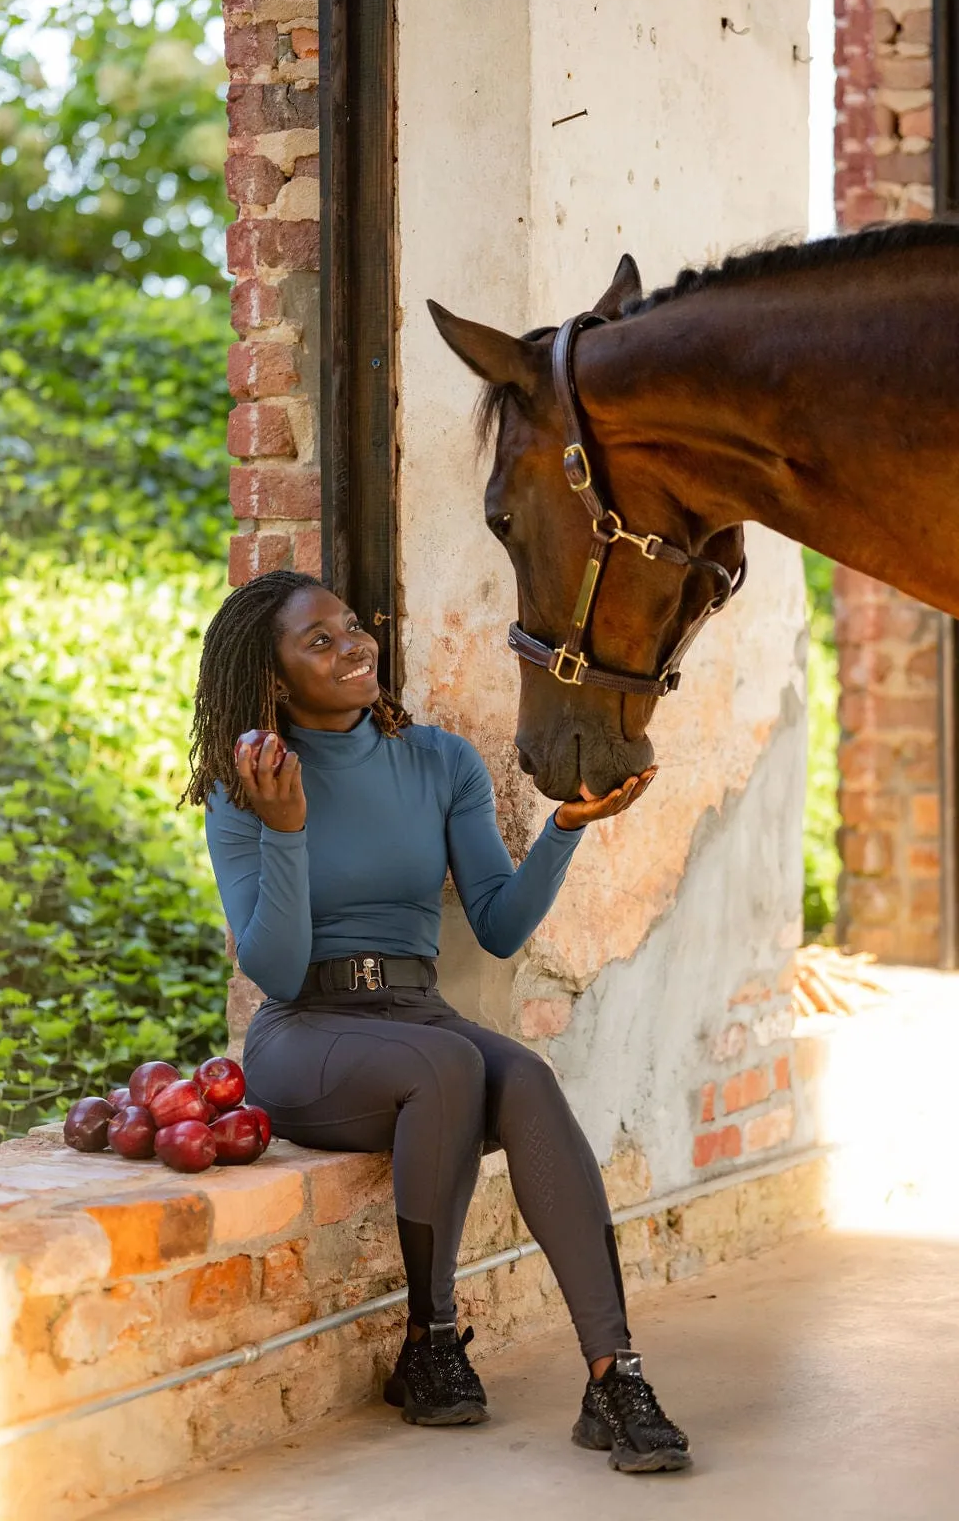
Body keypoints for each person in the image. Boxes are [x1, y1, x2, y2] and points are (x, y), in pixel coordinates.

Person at [182, 568, 690, 1474]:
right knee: (449, 1068)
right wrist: (287, 827)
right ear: (273, 678)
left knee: (524, 1075)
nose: (353, 647)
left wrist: (566, 828)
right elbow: (275, 969)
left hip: (415, 1012)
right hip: (307, 1035)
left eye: (352, 628)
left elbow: (495, 925)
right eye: (320, 642)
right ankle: (433, 1339)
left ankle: (615, 1374)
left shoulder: (439, 760)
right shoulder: (245, 786)